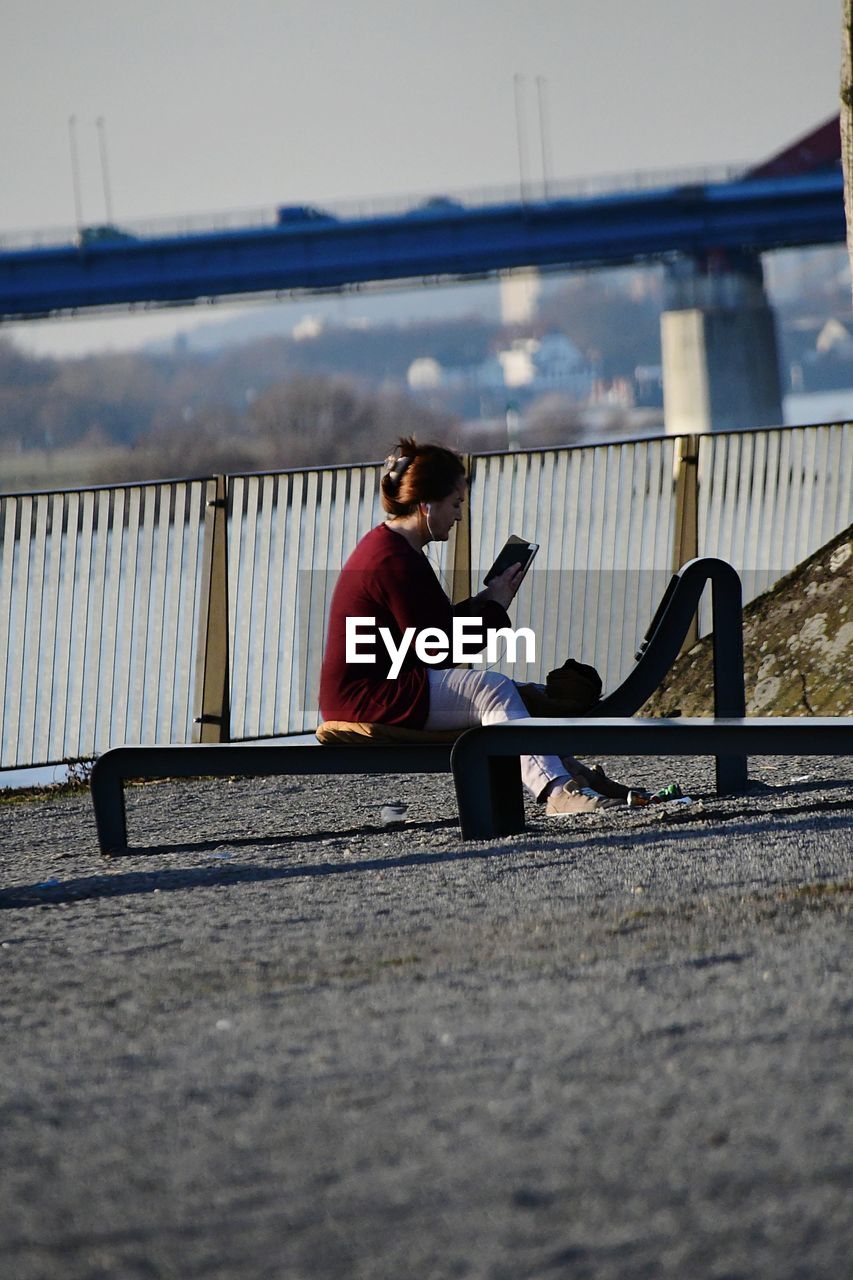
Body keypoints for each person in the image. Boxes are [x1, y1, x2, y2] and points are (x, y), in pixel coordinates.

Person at [319, 437, 630, 815]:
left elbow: (432, 628)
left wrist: (486, 601)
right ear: (426, 505)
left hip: (384, 686)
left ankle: (575, 775)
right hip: (370, 696)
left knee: (514, 693)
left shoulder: (393, 548)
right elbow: (437, 648)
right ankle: (557, 793)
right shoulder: (392, 560)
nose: (459, 516)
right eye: (455, 504)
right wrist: (495, 608)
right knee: (494, 691)